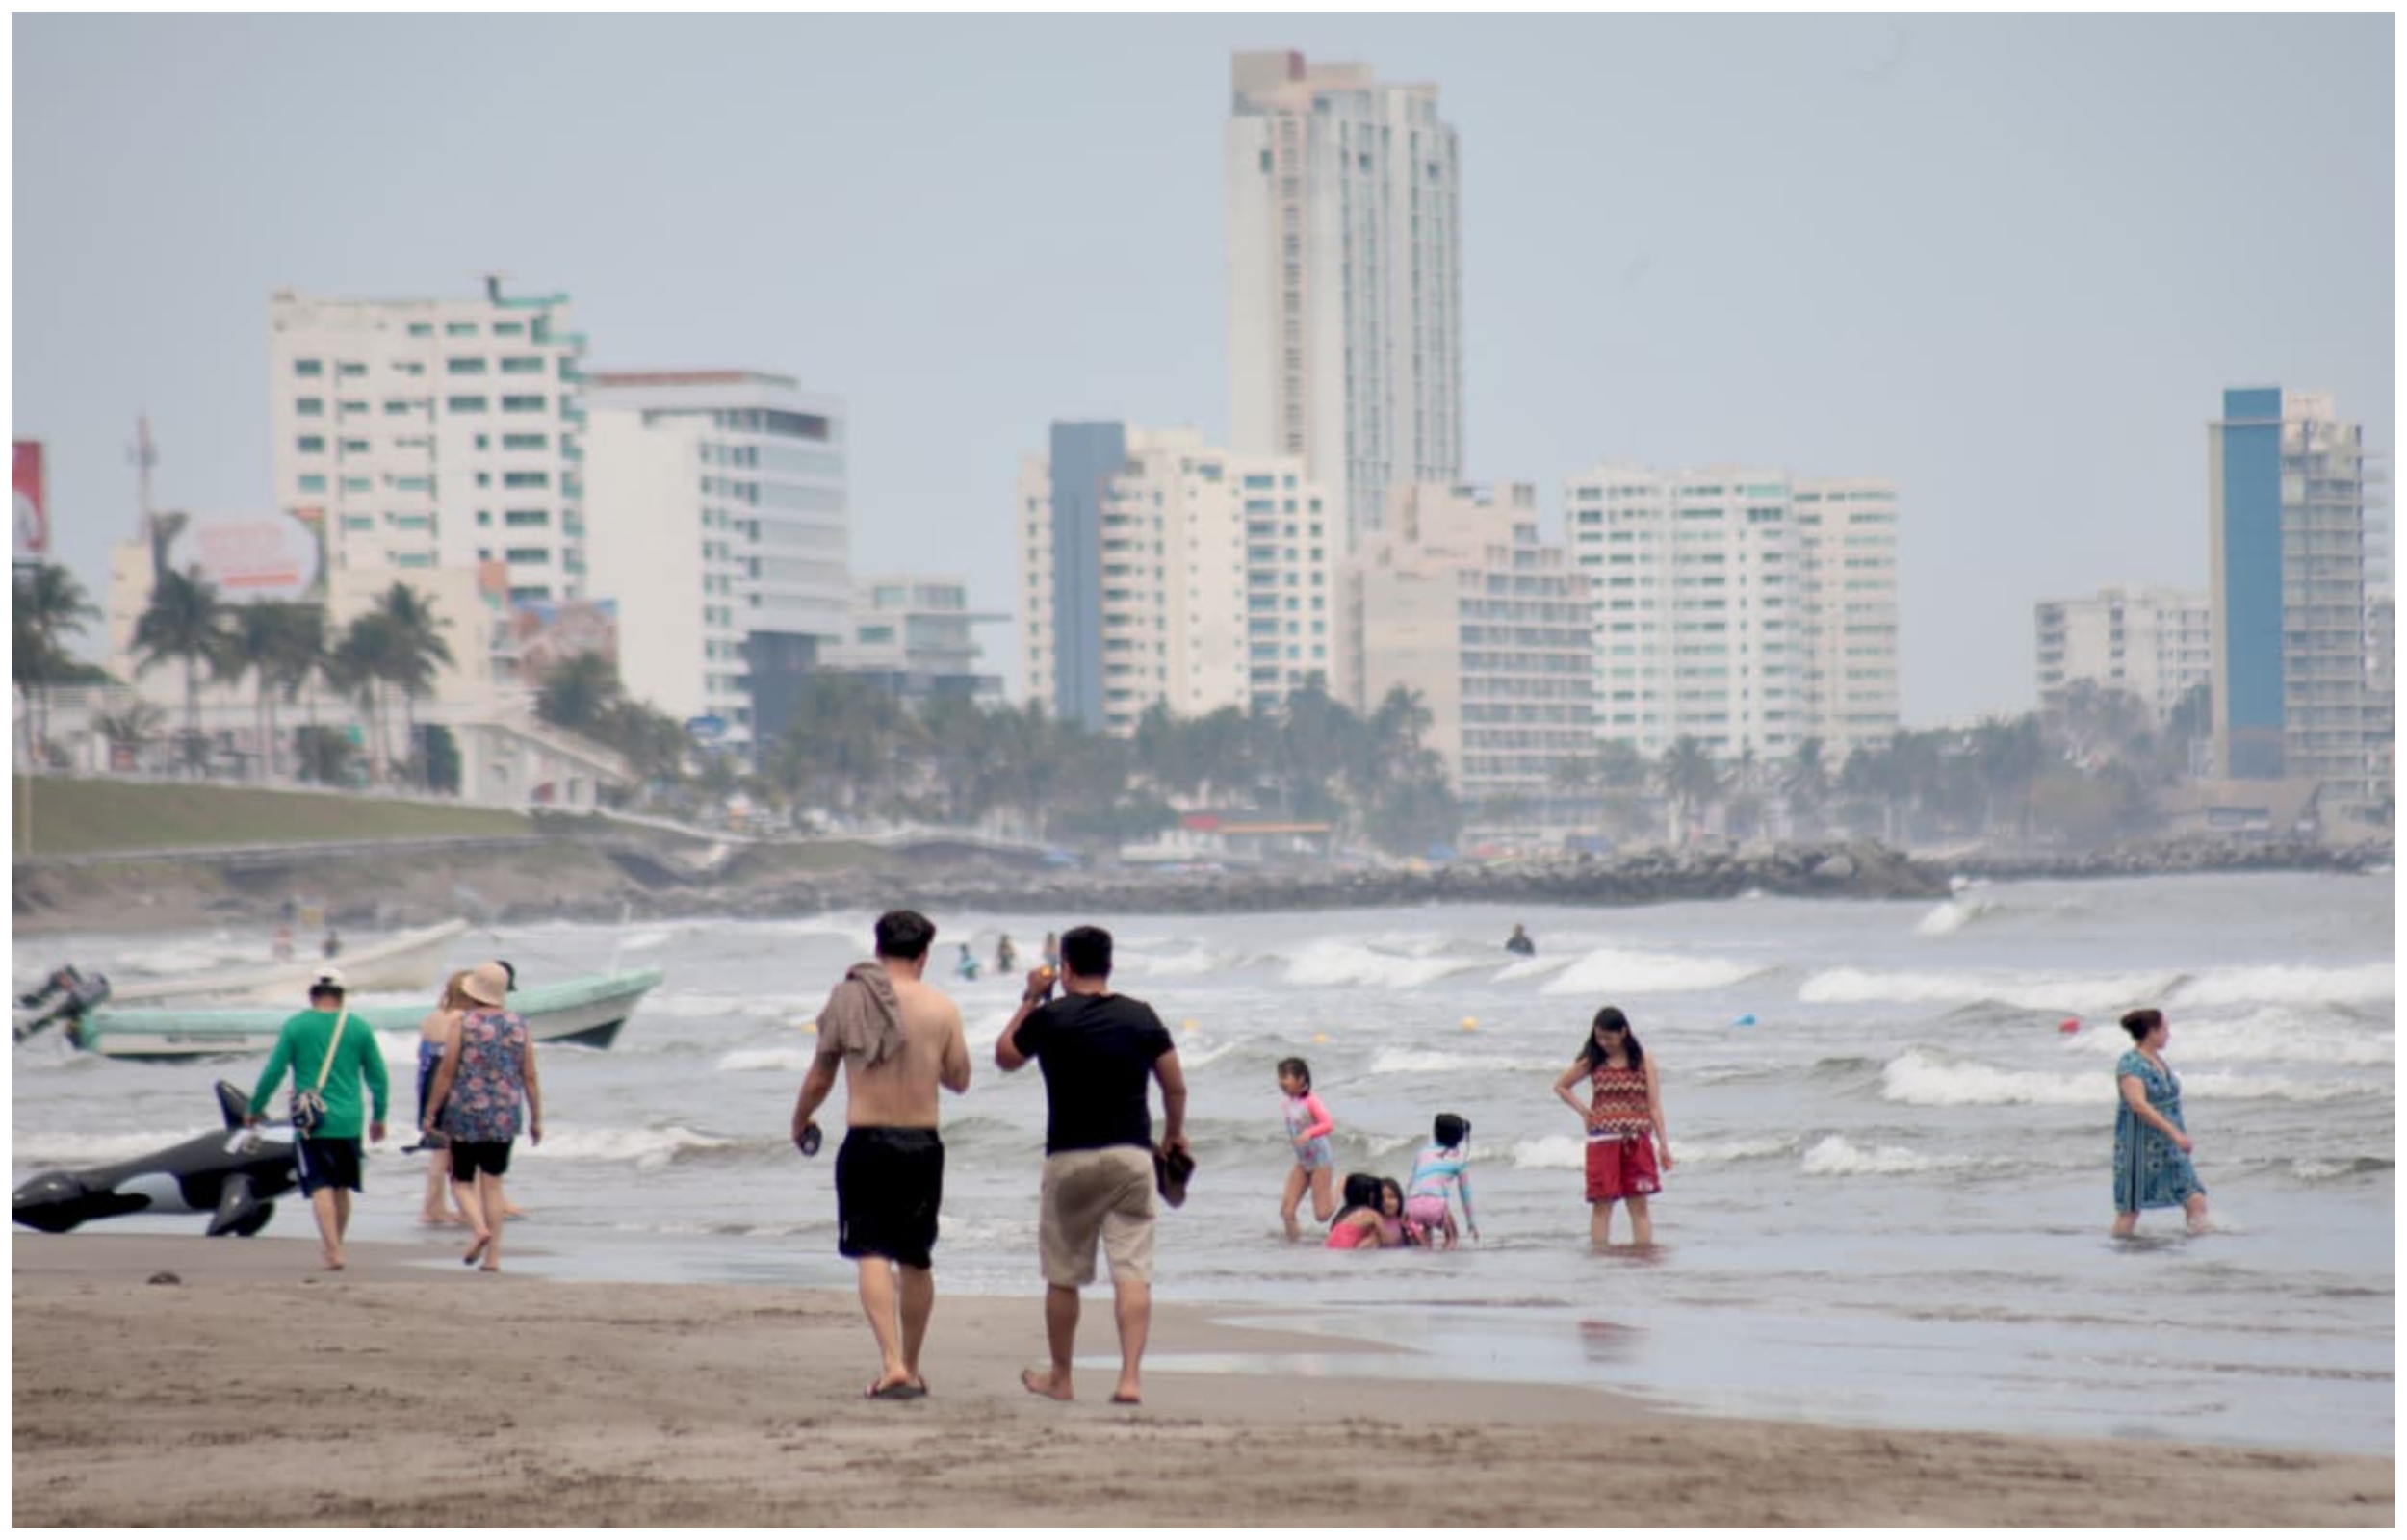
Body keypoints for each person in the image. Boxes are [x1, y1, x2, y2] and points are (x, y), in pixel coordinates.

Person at [997, 924, 1188, 1406]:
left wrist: (1031, 998)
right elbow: (1174, 1085)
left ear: (1064, 969)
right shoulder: (1140, 1016)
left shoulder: (1051, 1017)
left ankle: (1061, 1378)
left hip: (1069, 1159)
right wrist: (1171, 1135)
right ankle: (1129, 1380)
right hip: (1131, 1156)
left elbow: (1005, 1057)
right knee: (1132, 1272)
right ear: (1109, 965)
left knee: (1064, 1274)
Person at [791, 910, 971, 1400]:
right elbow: (959, 1079)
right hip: (921, 1144)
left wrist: (800, 1117)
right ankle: (910, 1366)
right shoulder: (941, 1007)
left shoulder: (849, 999)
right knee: (916, 1257)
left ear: (877, 950)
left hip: (867, 1142)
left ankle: (890, 1362)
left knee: (871, 1250)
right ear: (924, 956)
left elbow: (822, 1073)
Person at [244, 968, 389, 1271]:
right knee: (342, 1187)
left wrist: (255, 1107)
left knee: (320, 1184)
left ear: (312, 994)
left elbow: (274, 1071)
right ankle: (334, 1246)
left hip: (313, 1121)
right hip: (349, 1119)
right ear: (342, 995)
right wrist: (380, 1116)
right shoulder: (358, 1027)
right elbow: (377, 1076)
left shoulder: (296, 1026)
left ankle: (333, 1250)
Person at [422, 961, 541, 1272]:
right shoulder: (518, 1024)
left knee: (461, 1181)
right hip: (504, 1115)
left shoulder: (463, 1023)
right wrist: (536, 1119)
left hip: (465, 1114)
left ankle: (479, 1229)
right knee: (493, 1185)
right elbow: (529, 1076)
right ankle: (493, 1258)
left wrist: (431, 1111)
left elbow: (446, 1073)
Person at [1553, 1005, 1672, 1246]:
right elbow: (1561, 1086)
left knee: (1639, 1204)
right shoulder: (1594, 1060)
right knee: (1602, 1204)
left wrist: (1663, 1145)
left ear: (1623, 1032)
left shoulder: (1643, 1059)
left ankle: (1643, 1255)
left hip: (1637, 1139)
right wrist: (1584, 1112)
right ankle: (1601, 1263)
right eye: (1599, 1037)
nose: (1603, 1042)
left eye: (1608, 1037)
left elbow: (1654, 1106)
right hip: (1602, 1141)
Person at [2112, 1008, 2210, 1238]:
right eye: (2165, 1029)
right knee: (2130, 1210)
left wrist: (2176, 1136)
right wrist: (2174, 1133)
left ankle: (2200, 1258)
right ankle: (2118, 1253)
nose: (2169, 1034)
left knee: (2194, 1197)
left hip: (2169, 1146)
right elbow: (2138, 1105)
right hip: (2140, 1147)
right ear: (2151, 1032)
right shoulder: (2131, 1064)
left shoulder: (2157, 1060)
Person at [415, 970, 474, 1226]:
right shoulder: (463, 1018)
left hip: (430, 1079)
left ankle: (432, 1207)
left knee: (438, 1149)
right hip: (453, 1078)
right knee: (459, 1151)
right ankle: (461, 1208)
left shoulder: (431, 1017)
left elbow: (422, 1054)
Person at [1274, 1056, 1338, 1242]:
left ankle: (1341, 1183)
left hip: (1320, 1161)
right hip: (1303, 1161)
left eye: (1286, 1077)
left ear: (1301, 1079)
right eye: (1280, 1077)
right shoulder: (1287, 1104)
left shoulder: (1312, 1101)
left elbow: (1328, 1124)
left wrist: (1309, 1133)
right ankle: (1293, 1249)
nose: (1281, 1082)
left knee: (1322, 1215)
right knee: (1286, 1211)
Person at [1404, 1113, 1478, 1249]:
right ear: (1460, 1138)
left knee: (1425, 1234)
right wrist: (1471, 1222)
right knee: (1452, 1236)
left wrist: (1404, 1210)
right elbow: (1465, 1195)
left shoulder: (1423, 1152)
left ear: (1435, 1133)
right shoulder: (1458, 1159)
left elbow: (1411, 1183)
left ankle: (1423, 1260)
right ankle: (1443, 1262)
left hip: (1413, 1205)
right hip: (1435, 1205)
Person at [1323, 1173, 1385, 1250]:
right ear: (1371, 1195)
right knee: (1376, 1238)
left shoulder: (1342, 1214)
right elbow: (1387, 1240)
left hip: (1329, 1249)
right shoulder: (1372, 1214)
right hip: (1347, 1251)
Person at [1376, 1177, 1413, 1246]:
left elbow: (1423, 1246)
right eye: (1382, 1198)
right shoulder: (1375, 1223)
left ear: (1399, 1199)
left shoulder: (1405, 1223)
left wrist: (1411, 1229)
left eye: (1392, 1197)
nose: (1387, 1202)